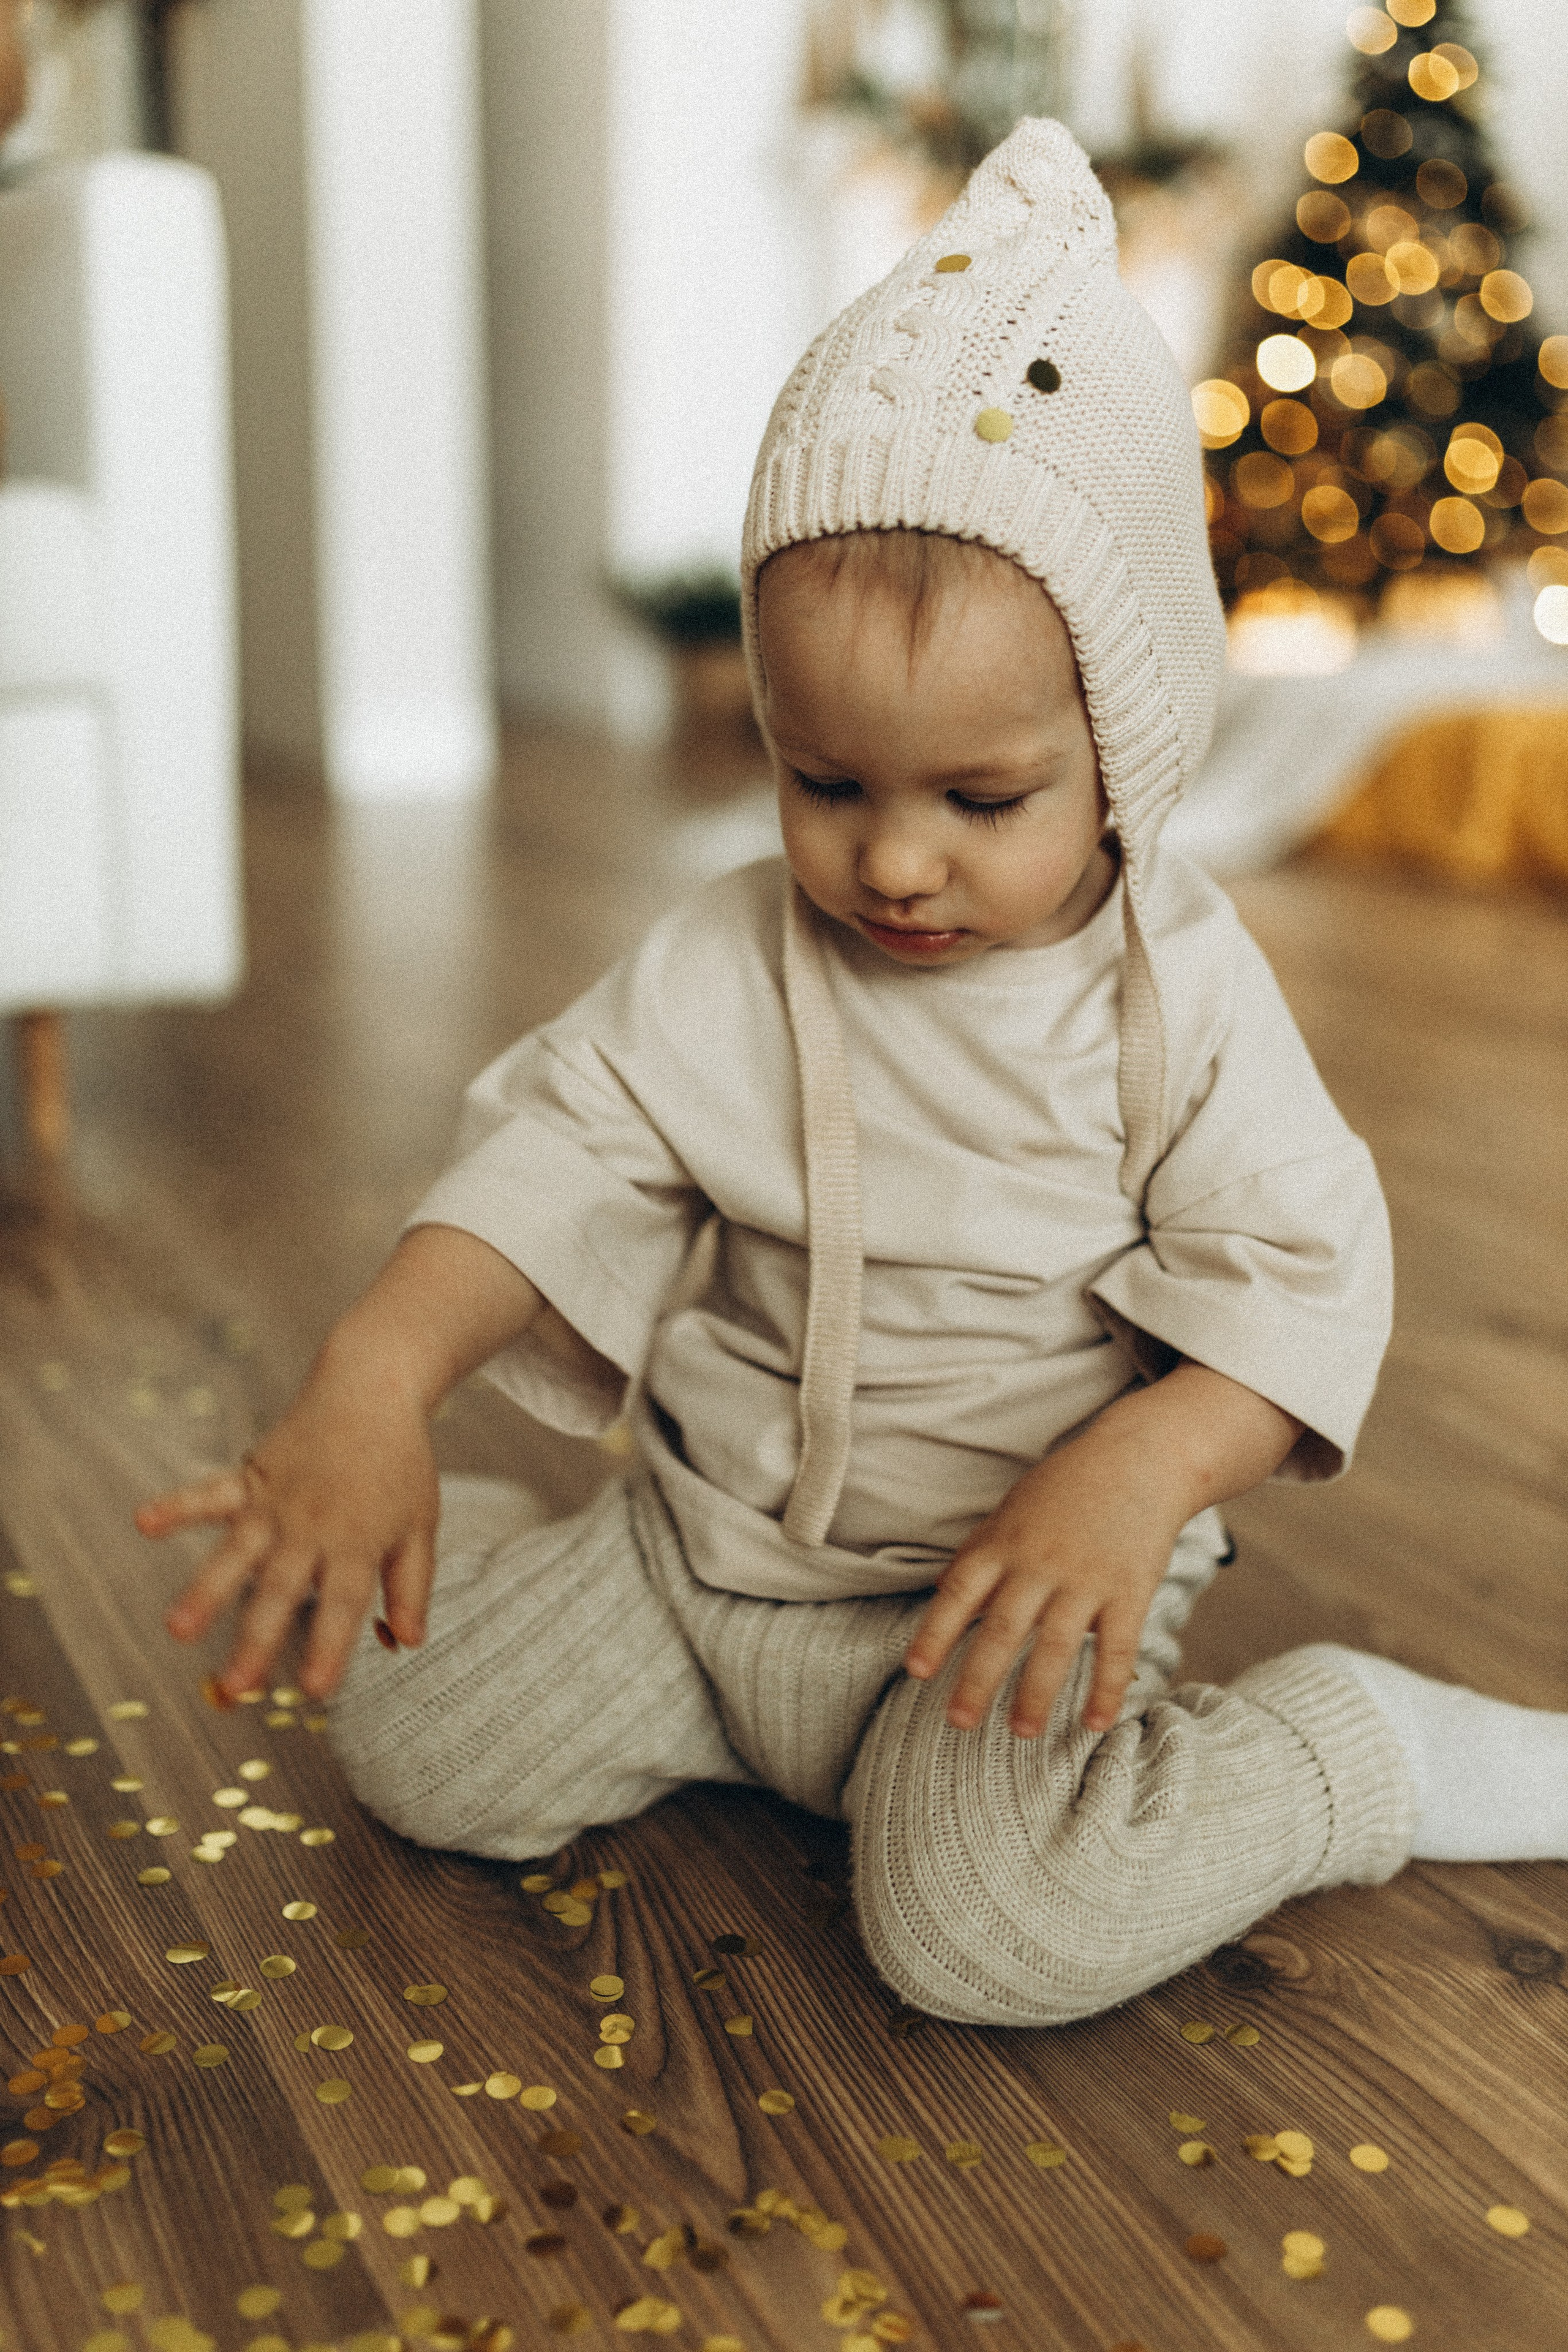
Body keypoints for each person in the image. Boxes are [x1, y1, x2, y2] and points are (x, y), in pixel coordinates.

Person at [140, 121, 1568, 2028]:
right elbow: (564, 1154)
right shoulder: (734, 955)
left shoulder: (1182, 1004)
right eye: (829, 785)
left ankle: (1356, 1752)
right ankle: (593, 1620)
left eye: (984, 801)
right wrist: (376, 1380)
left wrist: (1138, 1472)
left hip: (1003, 1597)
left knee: (989, 1940)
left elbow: (1297, 1275)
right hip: (702, 1557)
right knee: (417, 1746)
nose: (896, 862)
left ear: (1122, 750)